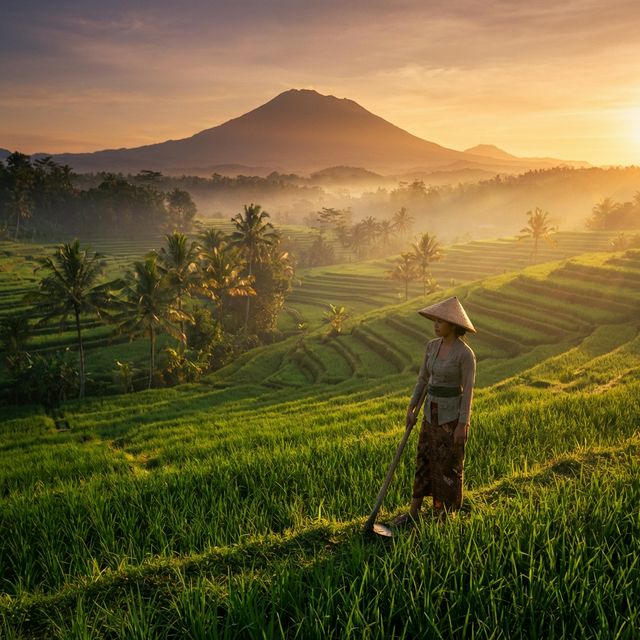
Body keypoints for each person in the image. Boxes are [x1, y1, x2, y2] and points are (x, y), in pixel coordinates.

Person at [393, 296, 476, 526]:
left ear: (453, 324)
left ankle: (442, 515)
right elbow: (422, 379)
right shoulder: (431, 347)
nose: (436, 324)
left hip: (451, 418)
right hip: (430, 414)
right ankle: (413, 512)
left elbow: (468, 391)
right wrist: (411, 407)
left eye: (441, 321)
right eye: (435, 320)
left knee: (446, 465)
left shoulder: (465, 354)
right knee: (424, 460)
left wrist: (463, 423)